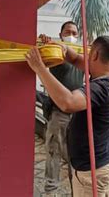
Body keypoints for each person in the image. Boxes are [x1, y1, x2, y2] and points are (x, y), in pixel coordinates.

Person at [26, 35, 109, 197]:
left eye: (89, 51)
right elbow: (76, 58)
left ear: (96, 55)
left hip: (93, 170)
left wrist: (39, 68)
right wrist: (60, 48)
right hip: (103, 160)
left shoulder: (101, 88)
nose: (86, 55)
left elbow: (68, 102)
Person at [39, 21, 84, 193]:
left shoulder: (80, 55)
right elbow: (44, 59)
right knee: (54, 150)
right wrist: (46, 44)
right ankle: (51, 189)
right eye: (67, 32)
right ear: (60, 34)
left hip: (77, 112)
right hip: (59, 112)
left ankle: (77, 188)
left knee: (76, 152)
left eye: (74, 32)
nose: (71, 35)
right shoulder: (55, 51)